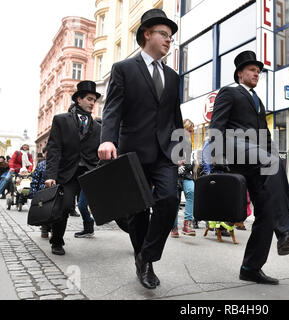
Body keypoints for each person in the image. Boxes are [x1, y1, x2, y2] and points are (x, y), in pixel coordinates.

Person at [98, 9, 182, 290]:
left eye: (171, 36)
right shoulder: (124, 68)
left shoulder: (172, 76)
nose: (169, 40)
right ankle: (143, 261)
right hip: (132, 150)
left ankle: (147, 255)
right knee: (137, 211)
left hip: (165, 153)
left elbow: (175, 116)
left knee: (170, 199)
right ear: (147, 34)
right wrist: (107, 139)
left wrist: (180, 148)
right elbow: (113, 108)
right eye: (164, 34)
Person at [208, 50, 289, 285]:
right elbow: (217, 124)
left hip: (257, 158)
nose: (256, 74)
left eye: (259, 71)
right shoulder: (229, 92)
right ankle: (286, 230)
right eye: (252, 70)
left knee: (267, 211)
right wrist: (217, 155)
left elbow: (265, 134)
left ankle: (250, 267)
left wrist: (273, 154)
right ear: (240, 73)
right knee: (271, 161)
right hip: (235, 147)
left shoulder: (258, 101)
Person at [45, 80, 101, 256]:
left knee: (111, 202)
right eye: (89, 99)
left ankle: (137, 238)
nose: (92, 103)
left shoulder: (99, 127)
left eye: (94, 100)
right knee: (65, 206)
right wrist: (50, 175)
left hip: (90, 172)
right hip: (68, 173)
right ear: (79, 99)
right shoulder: (61, 120)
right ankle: (56, 241)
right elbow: (54, 149)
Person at [171, 119, 196, 238]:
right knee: (175, 200)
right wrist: (175, 165)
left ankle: (187, 224)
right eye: (188, 130)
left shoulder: (188, 142)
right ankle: (174, 227)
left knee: (191, 192)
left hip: (186, 172)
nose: (190, 133)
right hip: (175, 173)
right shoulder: (174, 139)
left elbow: (187, 159)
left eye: (191, 131)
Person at [29, 147, 52, 238]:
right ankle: (44, 229)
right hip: (42, 192)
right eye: (46, 152)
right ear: (43, 154)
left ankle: (54, 230)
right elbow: (35, 180)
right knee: (44, 211)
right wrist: (33, 193)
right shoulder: (41, 165)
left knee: (54, 210)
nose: (48, 154)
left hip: (55, 191)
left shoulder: (58, 164)